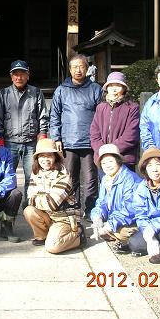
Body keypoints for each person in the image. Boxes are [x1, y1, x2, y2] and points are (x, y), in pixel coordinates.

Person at [49, 54, 102, 219]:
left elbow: (102, 115)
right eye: (75, 67)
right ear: (70, 69)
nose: (78, 70)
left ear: (87, 69)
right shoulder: (61, 90)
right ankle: (72, 206)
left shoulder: (95, 89)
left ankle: (90, 208)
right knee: (69, 177)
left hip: (89, 141)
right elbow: (54, 116)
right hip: (68, 141)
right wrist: (56, 138)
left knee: (90, 178)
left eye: (82, 67)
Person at [0, 60, 49, 205]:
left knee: (32, 176)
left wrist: (42, 136)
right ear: (11, 76)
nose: (19, 77)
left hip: (31, 142)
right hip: (9, 142)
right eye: (16, 74)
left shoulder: (36, 93)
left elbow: (43, 116)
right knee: (6, 176)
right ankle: (7, 206)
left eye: (22, 74)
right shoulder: (3, 94)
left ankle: (29, 205)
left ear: (28, 75)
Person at [23, 138, 86, 253]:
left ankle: (78, 235)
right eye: (42, 156)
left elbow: (51, 203)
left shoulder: (63, 175)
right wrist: (41, 199)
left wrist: (38, 198)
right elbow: (29, 198)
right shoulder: (36, 173)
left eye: (49, 156)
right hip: (48, 215)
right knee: (29, 211)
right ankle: (42, 236)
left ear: (55, 157)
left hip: (64, 217)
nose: (45, 159)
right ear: (37, 158)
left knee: (53, 247)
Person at [88, 144, 142, 254]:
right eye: (103, 163)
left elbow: (130, 208)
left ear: (118, 161)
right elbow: (102, 202)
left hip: (134, 220)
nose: (107, 166)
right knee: (101, 229)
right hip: (118, 219)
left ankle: (123, 237)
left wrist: (110, 225)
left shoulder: (130, 178)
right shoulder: (105, 179)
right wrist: (97, 217)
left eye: (110, 161)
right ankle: (113, 234)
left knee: (120, 233)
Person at [90, 71, 140, 169]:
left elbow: (131, 135)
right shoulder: (101, 107)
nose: (114, 89)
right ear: (107, 88)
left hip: (123, 158)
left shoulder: (132, 108)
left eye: (118, 85)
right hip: (103, 158)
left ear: (124, 88)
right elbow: (94, 133)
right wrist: (103, 151)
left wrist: (111, 150)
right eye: (111, 85)